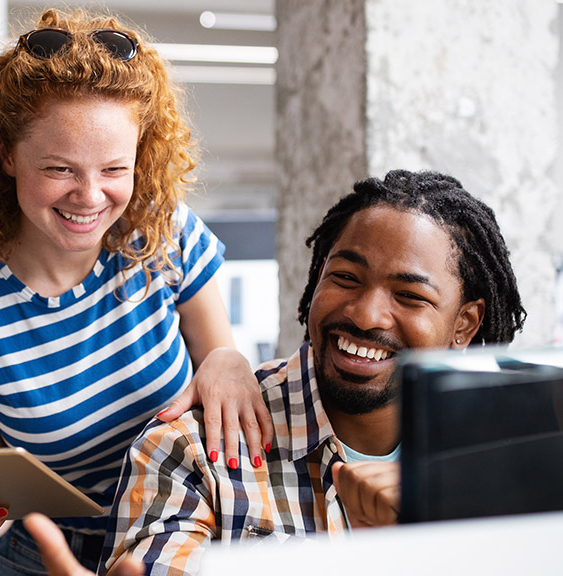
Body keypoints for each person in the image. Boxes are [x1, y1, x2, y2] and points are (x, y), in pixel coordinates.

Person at [0, 9, 275, 574]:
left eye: (113, 169)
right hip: (43, 554)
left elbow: (217, 361)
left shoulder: (163, 234)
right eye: (59, 169)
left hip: (180, 533)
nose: (90, 196)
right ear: (6, 155)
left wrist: (227, 360)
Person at [26, 169, 527, 576]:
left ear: (464, 324)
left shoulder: (508, 452)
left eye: (410, 296)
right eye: (346, 278)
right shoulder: (191, 445)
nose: (366, 314)